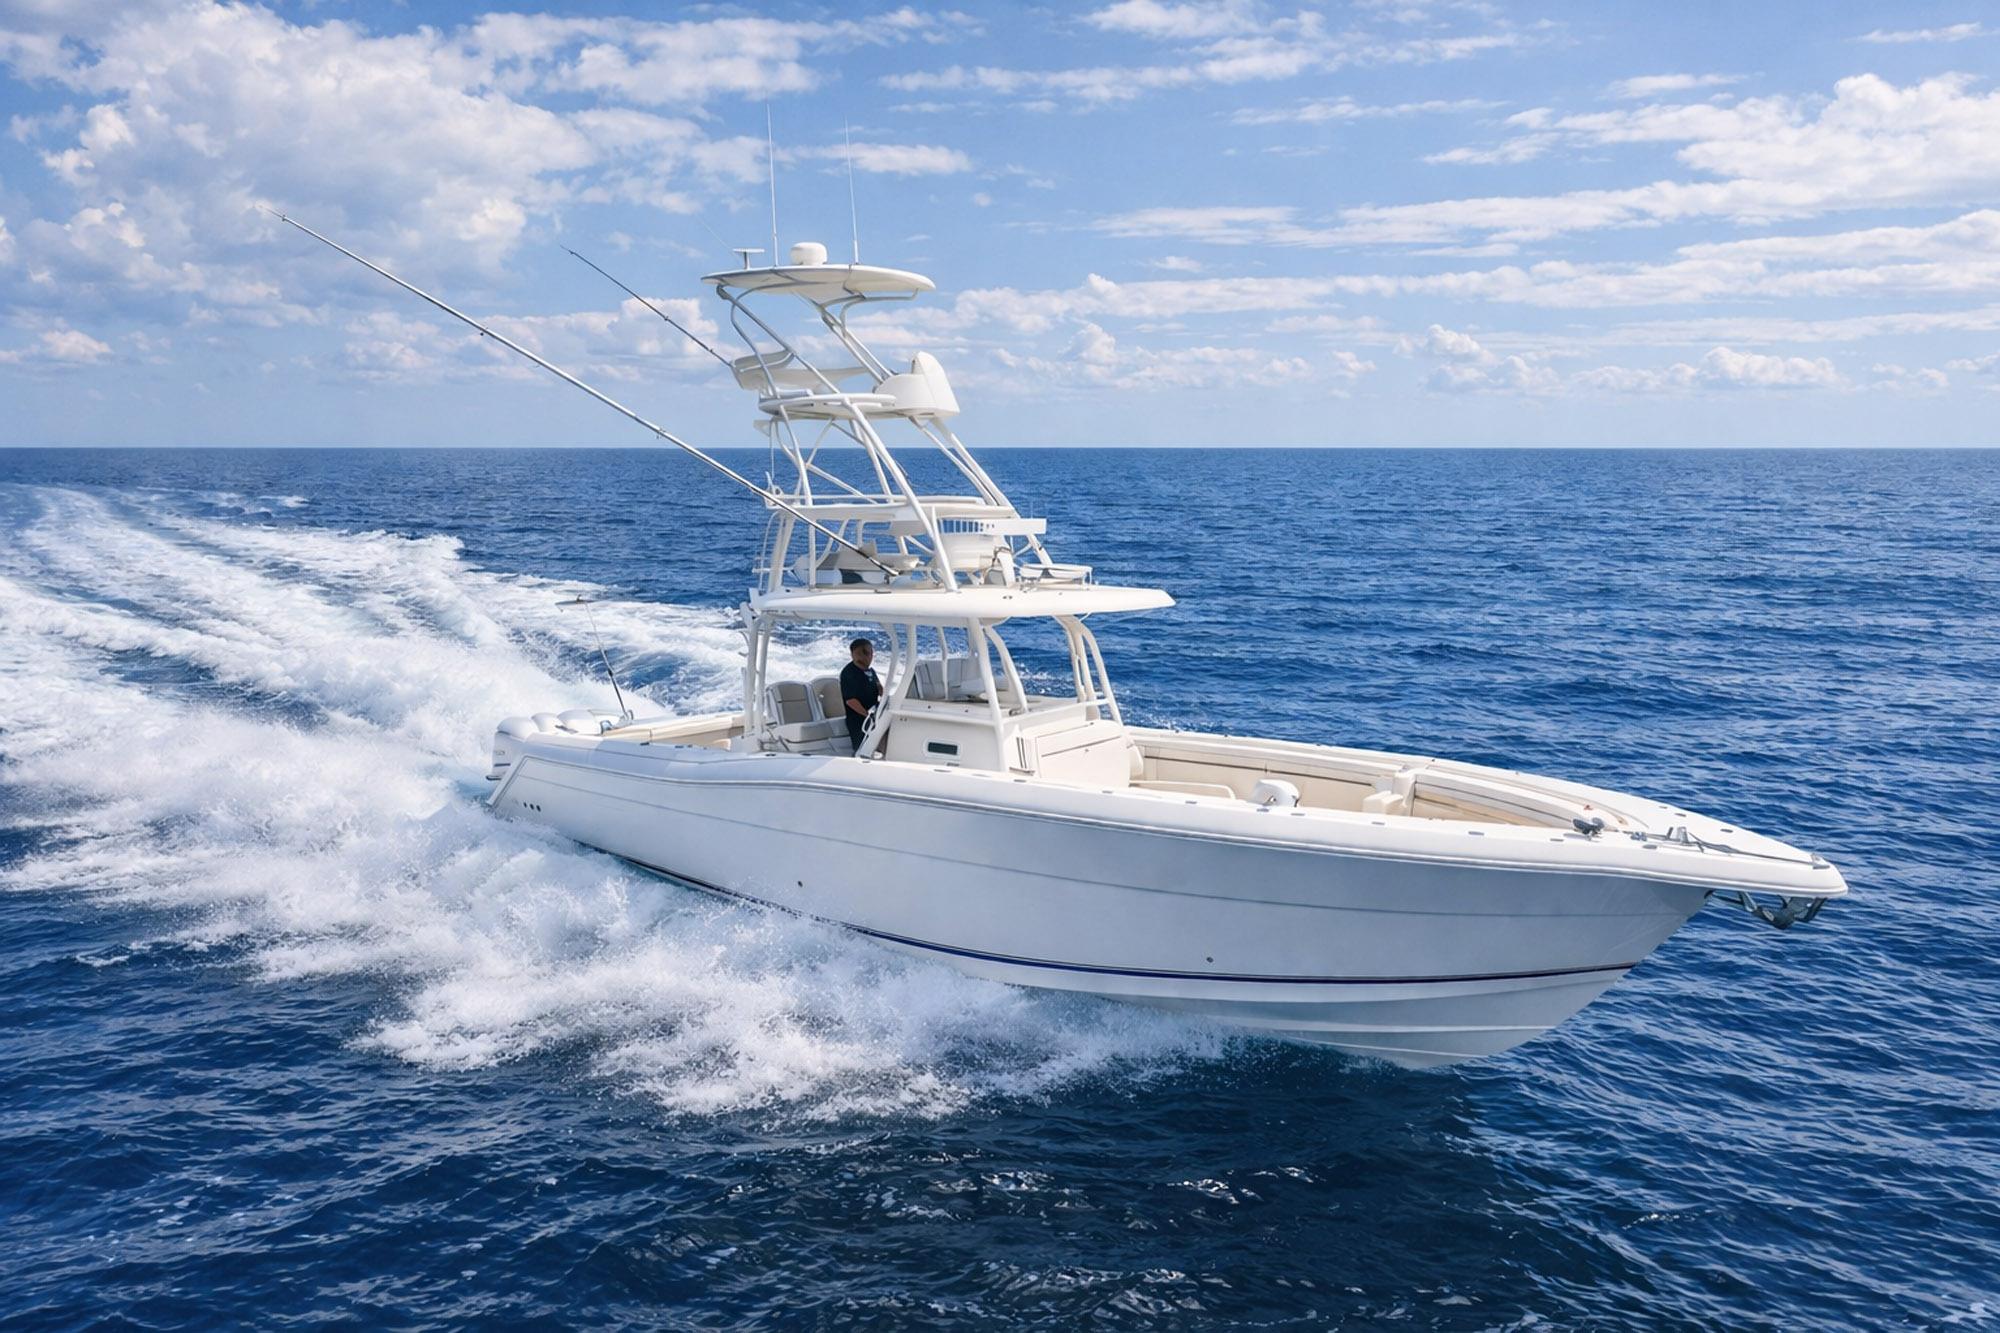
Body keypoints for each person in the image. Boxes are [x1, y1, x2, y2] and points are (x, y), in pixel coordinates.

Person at [839, 637, 881, 754]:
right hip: (858, 720)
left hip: (873, 715)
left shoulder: (870, 671)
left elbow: (879, 689)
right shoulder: (849, 673)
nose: (870, 656)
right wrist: (868, 716)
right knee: (862, 749)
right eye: (866, 653)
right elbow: (851, 701)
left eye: (870, 653)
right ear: (855, 654)